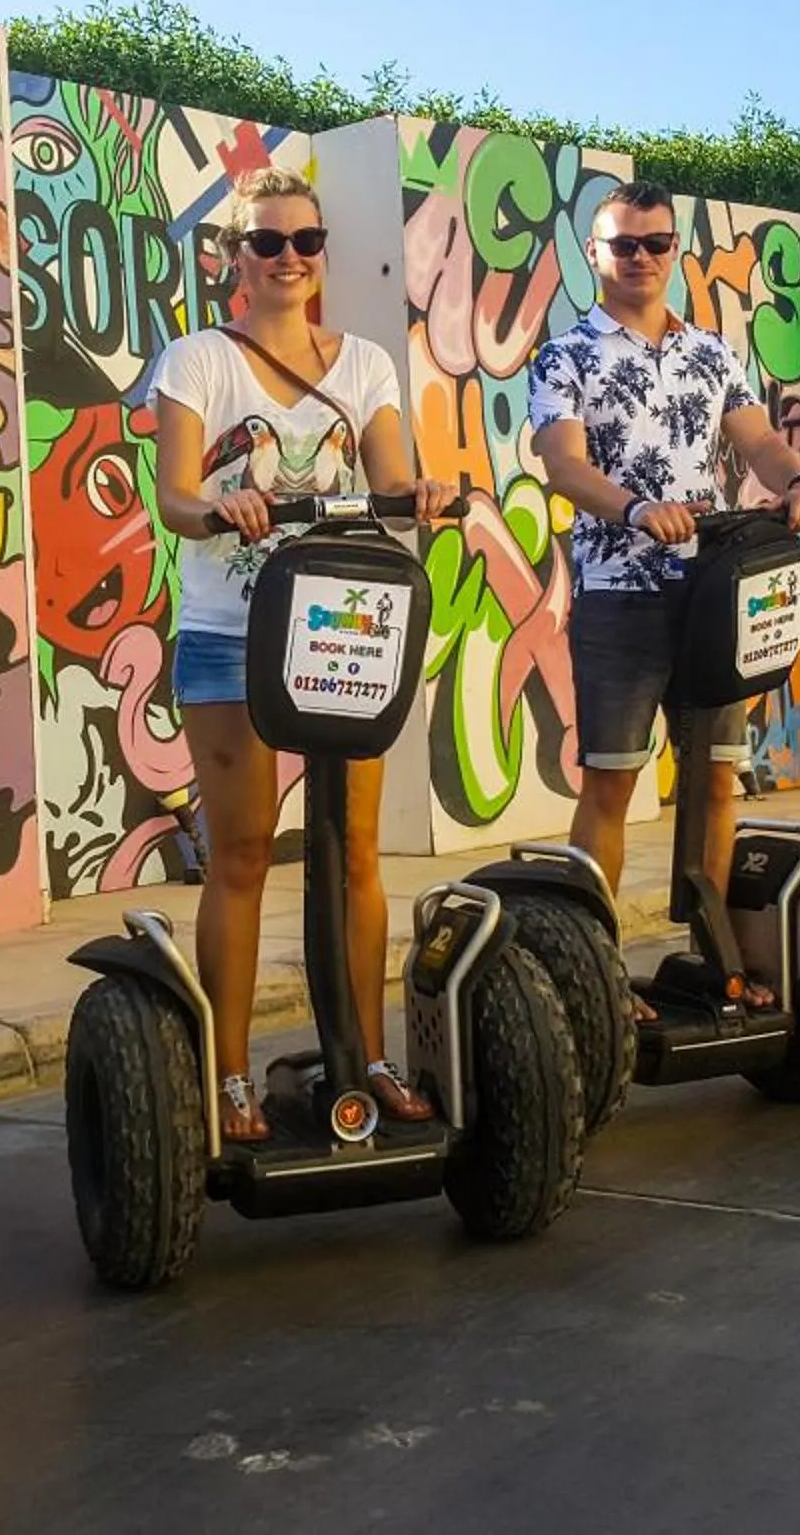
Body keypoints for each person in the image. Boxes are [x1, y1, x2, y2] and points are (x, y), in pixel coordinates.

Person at [153, 167, 458, 1143]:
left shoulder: (364, 363)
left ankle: (365, 1055)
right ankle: (230, 1073)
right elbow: (174, 494)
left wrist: (425, 495)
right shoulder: (199, 359)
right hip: (227, 631)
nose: (290, 259)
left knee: (353, 849)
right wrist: (218, 505)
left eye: (306, 241)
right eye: (268, 242)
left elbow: (393, 477)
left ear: (324, 250)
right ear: (235, 257)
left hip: (336, 627)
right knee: (241, 854)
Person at [528, 180, 800, 1018]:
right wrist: (631, 507)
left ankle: (717, 961)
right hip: (621, 594)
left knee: (717, 781)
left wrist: (797, 482)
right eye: (623, 244)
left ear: (675, 250)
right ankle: (596, 976)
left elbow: (758, 440)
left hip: (708, 596)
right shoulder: (568, 357)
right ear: (595, 254)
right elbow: (563, 464)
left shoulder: (709, 353)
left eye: (656, 243)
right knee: (614, 785)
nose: (641, 259)